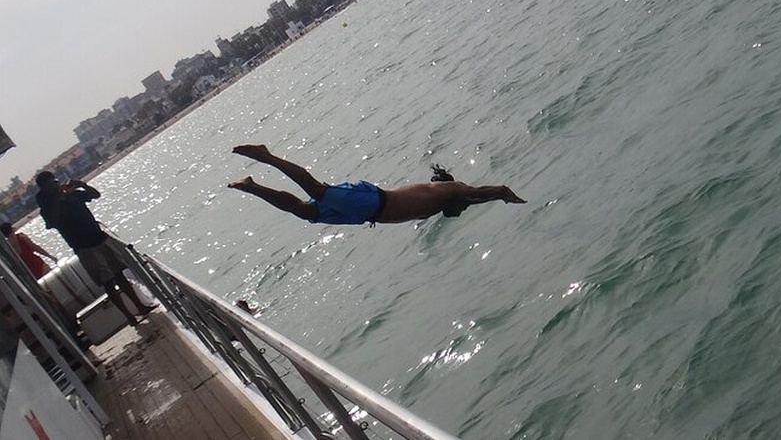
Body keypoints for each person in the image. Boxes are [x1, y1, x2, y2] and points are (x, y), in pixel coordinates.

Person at [227, 144, 526, 224]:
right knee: (317, 190)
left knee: (305, 212)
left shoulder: (440, 203)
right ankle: (267, 157)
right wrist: (502, 195)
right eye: (462, 209)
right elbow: (478, 194)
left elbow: (466, 203)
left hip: (364, 215)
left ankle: (252, 186)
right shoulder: (450, 191)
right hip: (371, 202)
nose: (461, 212)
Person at [35, 171, 156, 326]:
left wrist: (82, 185)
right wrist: (59, 198)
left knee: (120, 275)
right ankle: (129, 316)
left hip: (100, 239)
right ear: (45, 188)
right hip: (85, 248)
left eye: (55, 182)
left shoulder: (72, 195)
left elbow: (95, 195)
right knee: (108, 283)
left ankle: (140, 306)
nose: (56, 185)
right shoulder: (48, 209)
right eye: (51, 184)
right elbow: (51, 222)